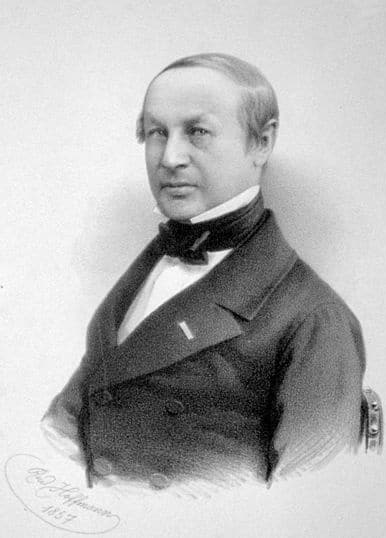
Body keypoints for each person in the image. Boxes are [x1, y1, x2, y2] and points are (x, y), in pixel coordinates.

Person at [42, 53, 365, 493]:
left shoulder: (315, 319)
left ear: (261, 143)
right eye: (156, 132)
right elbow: (67, 427)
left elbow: (311, 496)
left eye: (197, 132)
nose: (170, 157)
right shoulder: (146, 269)